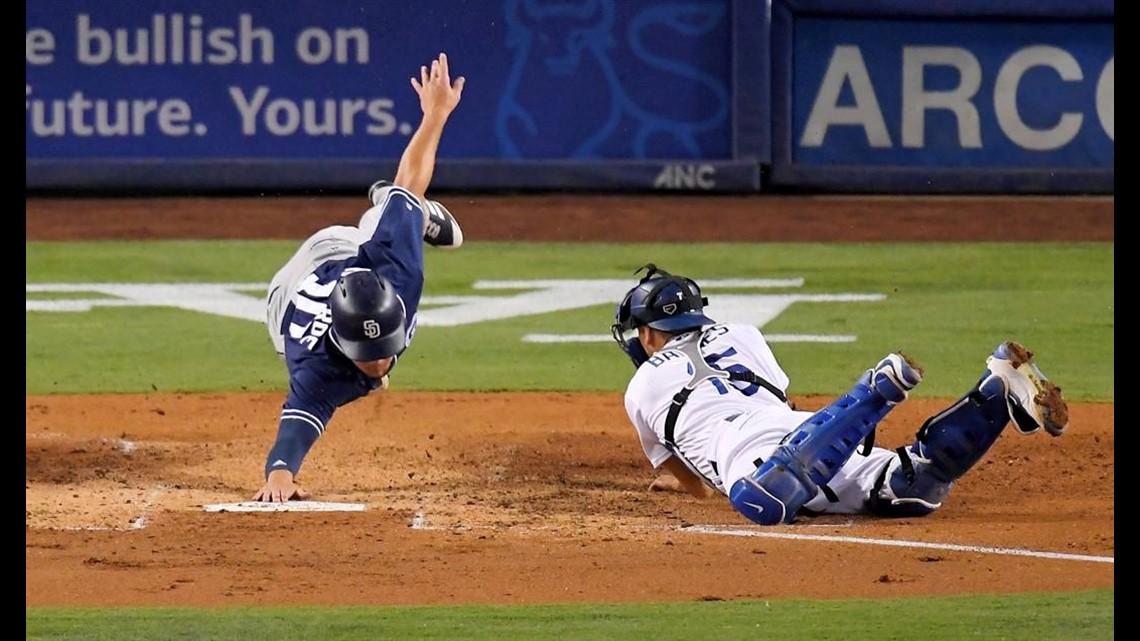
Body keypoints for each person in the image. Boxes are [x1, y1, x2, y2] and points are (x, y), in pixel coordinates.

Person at [610, 263, 1069, 525]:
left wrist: (689, 484)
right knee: (915, 488)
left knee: (764, 500)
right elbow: (781, 403)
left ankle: (874, 393)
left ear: (648, 333)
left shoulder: (641, 387)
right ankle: (996, 385)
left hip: (749, 450)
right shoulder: (742, 333)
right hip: (803, 428)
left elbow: (689, 480)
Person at [253, 52, 465, 502]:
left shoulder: (399, 276)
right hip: (294, 286)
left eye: (381, 348)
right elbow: (295, 428)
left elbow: (411, 175)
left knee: (400, 201)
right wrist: (279, 475)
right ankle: (392, 210)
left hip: (348, 250)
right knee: (294, 346)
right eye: (369, 354)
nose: (379, 362)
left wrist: (435, 115)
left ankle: (394, 209)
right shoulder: (318, 368)